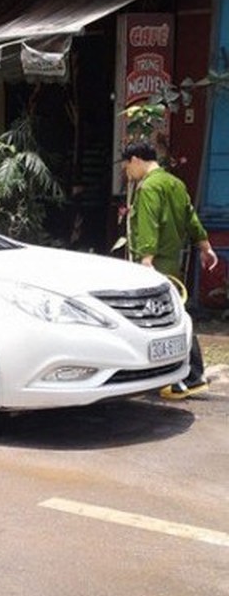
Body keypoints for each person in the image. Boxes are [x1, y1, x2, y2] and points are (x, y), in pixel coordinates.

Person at [121, 139, 219, 400]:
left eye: (127, 168)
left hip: (155, 264)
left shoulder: (150, 186)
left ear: (136, 160)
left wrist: (146, 261)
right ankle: (194, 377)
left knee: (158, 322)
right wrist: (205, 246)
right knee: (177, 317)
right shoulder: (175, 183)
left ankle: (174, 380)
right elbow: (191, 217)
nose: (127, 174)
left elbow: (150, 222)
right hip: (172, 263)